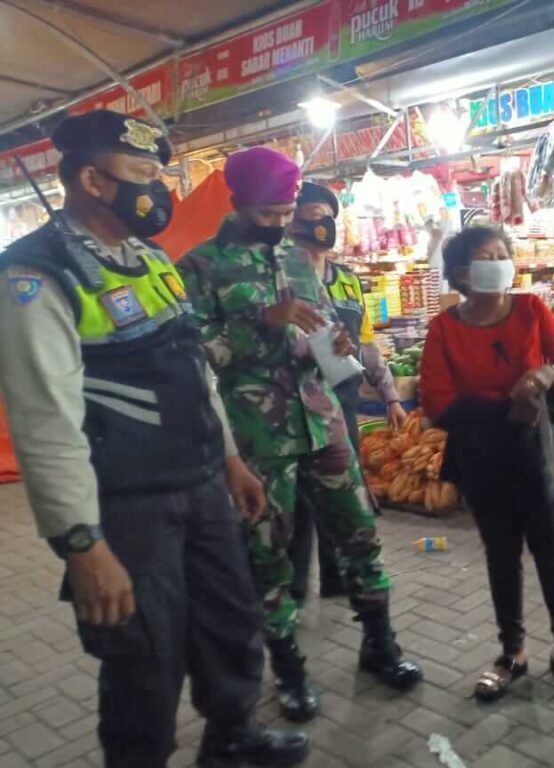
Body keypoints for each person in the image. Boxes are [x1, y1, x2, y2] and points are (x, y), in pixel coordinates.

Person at [0, 111, 308, 767]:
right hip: (127, 507)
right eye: (144, 175)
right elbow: (43, 420)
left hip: (200, 486)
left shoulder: (150, 259)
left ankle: (232, 740)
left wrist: (228, 459)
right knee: (145, 660)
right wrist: (82, 544)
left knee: (232, 623)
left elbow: (193, 367)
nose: (159, 190)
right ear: (92, 179)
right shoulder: (35, 274)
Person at [179, 147, 421, 725]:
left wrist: (336, 340)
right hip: (257, 431)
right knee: (269, 554)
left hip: (323, 414)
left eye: (286, 212)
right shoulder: (200, 266)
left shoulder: (297, 254)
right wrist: (261, 321)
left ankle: (379, 642)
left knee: (359, 531)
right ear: (237, 204)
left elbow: (322, 320)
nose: (280, 223)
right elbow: (192, 355)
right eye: (268, 213)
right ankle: (287, 668)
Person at [419, 226, 554, 704]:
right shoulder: (444, 328)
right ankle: (512, 651)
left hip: (543, 450)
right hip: (483, 455)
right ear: (459, 273)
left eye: (502, 254)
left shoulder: (533, 309)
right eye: (485, 256)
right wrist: (505, 411)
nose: (499, 261)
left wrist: (549, 373)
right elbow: (437, 401)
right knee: (501, 553)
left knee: (553, 551)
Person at [286, 181, 406, 604]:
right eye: (312, 214)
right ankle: (294, 587)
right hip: (293, 406)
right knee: (298, 503)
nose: (322, 224)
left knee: (341, 496)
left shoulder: (349, 281)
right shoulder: (279, 276)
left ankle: (338, 580)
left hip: (344, 403)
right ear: (293, 221)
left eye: (328, 216)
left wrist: (390, 394)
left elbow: (367, 344)